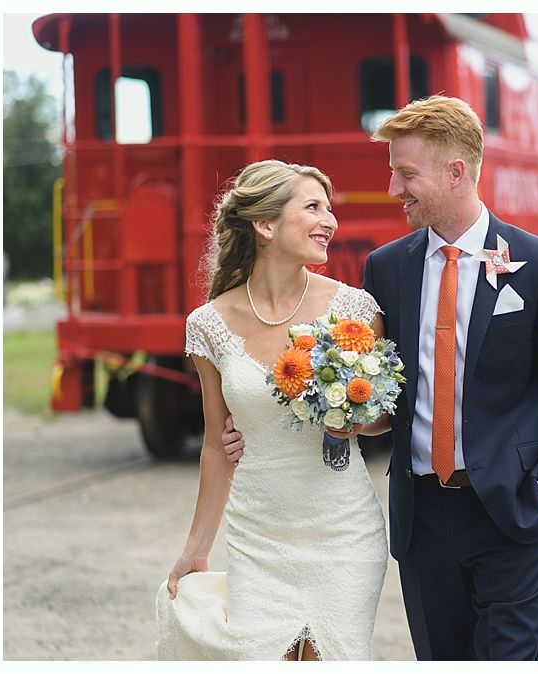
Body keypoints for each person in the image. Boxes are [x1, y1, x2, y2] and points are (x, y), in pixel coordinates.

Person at [224, 96, 538, 660]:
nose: (394, 188)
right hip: (423, 520)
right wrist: (266, 421)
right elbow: (366, 394)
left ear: (456, 173)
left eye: (406, 173)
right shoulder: (387, 268)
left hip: (513, 512)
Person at [156, 159, 389, 661]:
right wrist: (196, 550)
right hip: (256, 536)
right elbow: (218, 446)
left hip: (343, 532)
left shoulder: (356, 310)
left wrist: (357, 418)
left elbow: (383, 417)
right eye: (313, 207)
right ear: (265, 225)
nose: (330, 220)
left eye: (330, 209)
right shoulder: (208, 326)